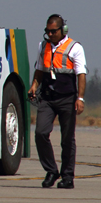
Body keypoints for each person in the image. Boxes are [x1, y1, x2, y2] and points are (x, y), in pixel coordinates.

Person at [28, 14, 87, 189]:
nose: (50, 34)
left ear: (63, 30)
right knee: (40, 133)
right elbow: (39, 70)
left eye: (54, 31)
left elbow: (81, 75)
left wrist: (80, 98)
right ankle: (52, 171)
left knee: (67, 139)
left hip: (67, 98)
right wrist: (33, 86)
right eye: (48, 31)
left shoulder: (75, 48)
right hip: (47, 98)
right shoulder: (43, 46)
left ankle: (67, 177)